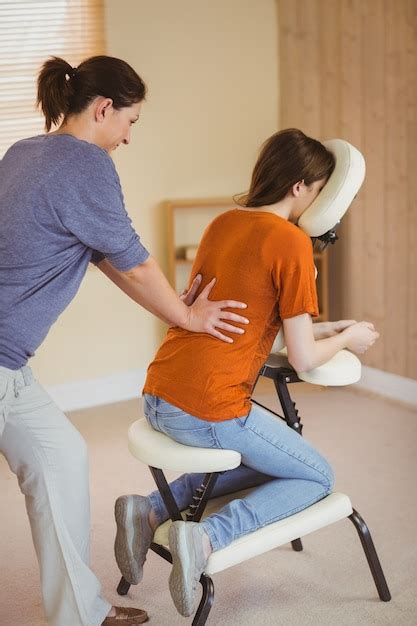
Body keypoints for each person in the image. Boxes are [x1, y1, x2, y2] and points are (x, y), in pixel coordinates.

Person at [0, 55, 250, 626]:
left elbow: (110, 256)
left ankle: (80, 615)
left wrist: (171, 308)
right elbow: (134, 264)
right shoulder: (85, 164)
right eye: (130, 122)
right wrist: (187, 319)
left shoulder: (24, 153)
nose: (129, 137)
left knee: (61, 457)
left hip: (9, 366)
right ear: (104, 108)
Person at [114, 128, 380, 617]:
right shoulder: (292, 242)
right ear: (299, 186)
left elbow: (253, 315)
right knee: (317, 475)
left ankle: (148, 508)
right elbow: (302, 359)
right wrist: (348, 340)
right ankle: (208, 537)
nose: (319, 201)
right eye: (319, 189)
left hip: (160, 390)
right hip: (208, 407)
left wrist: (329, 326)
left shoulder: (223, 222)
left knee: (276, 455)